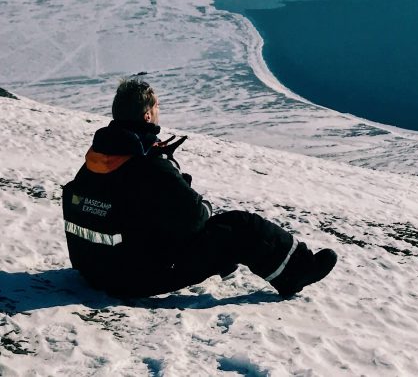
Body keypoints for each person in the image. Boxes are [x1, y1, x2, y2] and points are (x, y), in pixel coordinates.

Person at [63, 77, 337, 298]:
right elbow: (196, 218)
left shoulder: (98, 157)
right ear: (147, 116)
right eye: (157, 107)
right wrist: (192, 194)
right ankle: (298, 272)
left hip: (95, 270)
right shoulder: (146, 163)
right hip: (133, 277)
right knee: (240, 225)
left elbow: (130, 207)